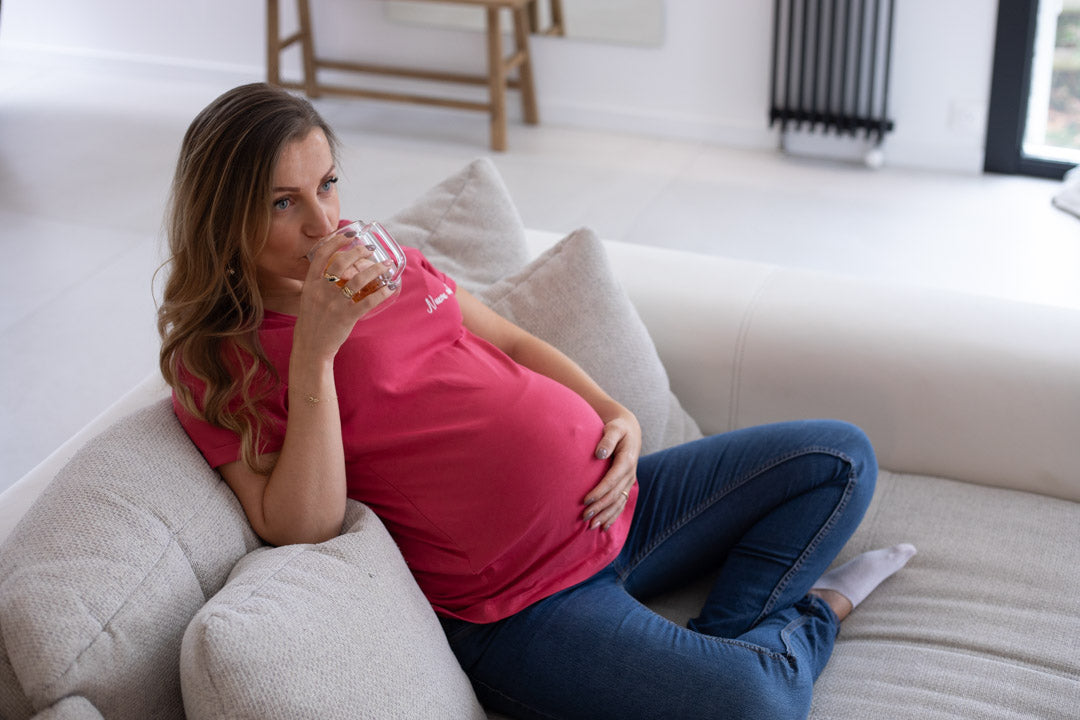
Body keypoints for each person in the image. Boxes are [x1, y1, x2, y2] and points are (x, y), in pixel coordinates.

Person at [158, 83, 915, 720]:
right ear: (224, 217)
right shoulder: (218, 362)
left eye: (326, 185)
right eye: (283, 203)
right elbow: (304, 524)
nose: (325, 224)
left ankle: (720, 642)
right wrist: (317, 348)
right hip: (523, 609)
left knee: (839, 458)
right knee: (755, 704)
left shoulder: (382, 260)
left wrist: (613, 410)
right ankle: (816, 616)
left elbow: (512, 342)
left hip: (621, 507)